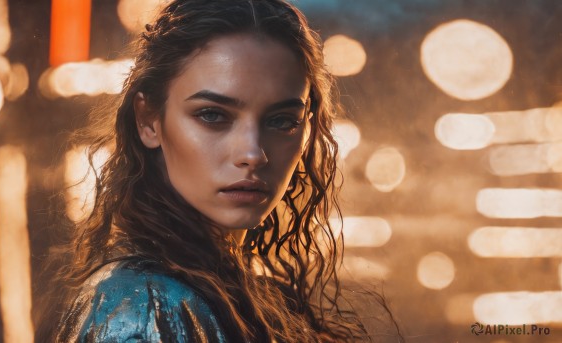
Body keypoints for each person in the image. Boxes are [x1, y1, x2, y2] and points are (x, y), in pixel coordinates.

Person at [38, 0, 389, 341]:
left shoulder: (232, 290)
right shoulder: (143, 307)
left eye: (282, 121)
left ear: (307, 128)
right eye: (212, 115)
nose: (253, 153)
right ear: (148, 120)